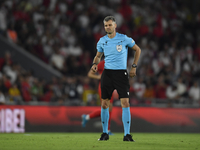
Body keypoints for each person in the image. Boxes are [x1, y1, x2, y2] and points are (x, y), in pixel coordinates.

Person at [91, 16, 141, 141]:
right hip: (107, 74)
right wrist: (94, 64)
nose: (108, 27)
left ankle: (127, 135)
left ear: (115, 25)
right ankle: (104, 133)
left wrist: (134, 66)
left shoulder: (123, 38)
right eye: (106, 25)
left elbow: (137, 50)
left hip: (121, 74)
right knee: (104, 104)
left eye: (110, 25)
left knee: (125, 103)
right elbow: (98, 56)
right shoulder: (102, 41)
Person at [81, 60, 114, 135]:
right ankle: (107, 130)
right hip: (103, 87)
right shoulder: (102, 63)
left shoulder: (115, 62)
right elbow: (90, 74)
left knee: (109, 108)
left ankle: (87, 117)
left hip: (111, 87)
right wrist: (98, 76)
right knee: (106, 108)